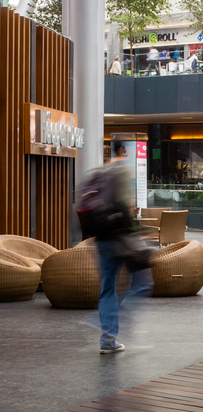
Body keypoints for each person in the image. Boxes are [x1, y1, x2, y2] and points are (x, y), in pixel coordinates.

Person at [77, 141, 153, 354]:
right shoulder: (120, 172)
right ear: (123, 151)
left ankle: (108, 341)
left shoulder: (99, 173)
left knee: (108, 287)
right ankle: (114, 321)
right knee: (143, 283)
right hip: (121, 238)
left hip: (102, 239)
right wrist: (137, 232)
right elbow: (121, 205)